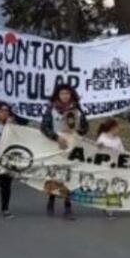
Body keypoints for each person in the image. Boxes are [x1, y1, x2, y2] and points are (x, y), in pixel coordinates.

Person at [40, 83, 89, 220]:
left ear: (71, 95)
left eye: (67, 93)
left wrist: (79, 131)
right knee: (56, 175)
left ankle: (68, 207)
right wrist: (56, 137)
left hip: (72, 146)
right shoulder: (51, 109)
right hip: (56, 146)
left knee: (70, 176)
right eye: (62, 94)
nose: (65, 96)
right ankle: (51, 199)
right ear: (58, 95)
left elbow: (85, 127)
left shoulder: (77, 110)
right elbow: (44, 127)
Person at [96, 119, 125, 220]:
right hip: (105, 167)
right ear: (112, 128)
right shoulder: (102, 138)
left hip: (115, 166)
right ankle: (109, 210)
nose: (118, 130)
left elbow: (123, 152)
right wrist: (99, 147)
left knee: (114, 187)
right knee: (109, 188)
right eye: (117, 127)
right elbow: (96, 151)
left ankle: (108, 207)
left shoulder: (118, 139)